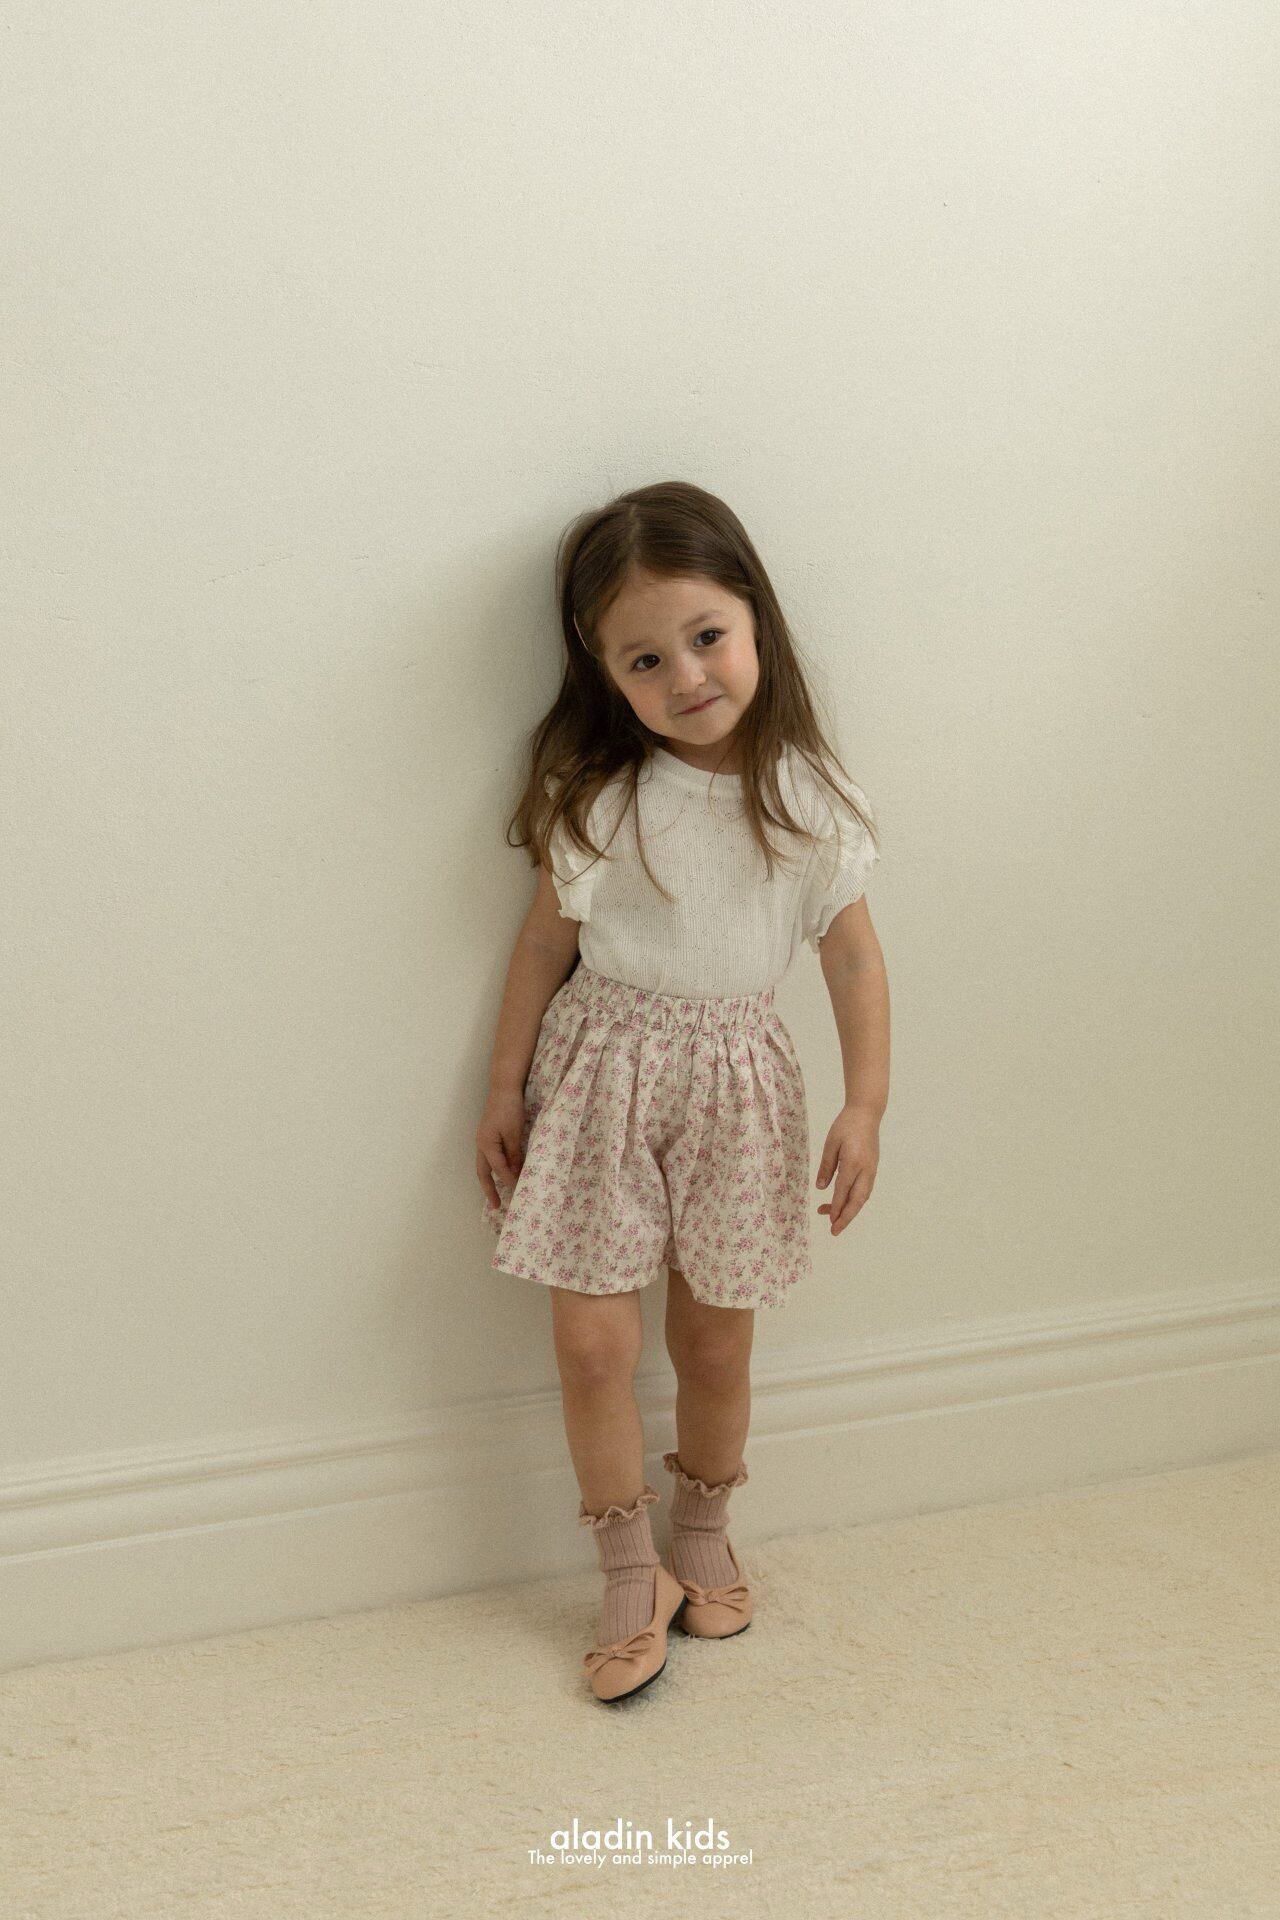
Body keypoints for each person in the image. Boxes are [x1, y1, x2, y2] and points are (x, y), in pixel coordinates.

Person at [474, 479, 890, 1703]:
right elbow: (542, 945)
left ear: (753, 618)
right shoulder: (602, 795)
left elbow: (852, 958)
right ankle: (625, 1567)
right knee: (591, 1344)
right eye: (645, 659)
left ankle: (701, 1529)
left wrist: (865, 1103)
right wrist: (503, 1086)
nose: (686, 676)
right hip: (598, 1077)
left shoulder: (807, 797)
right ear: (606, 675)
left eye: (706, 636)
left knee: (713, 1341)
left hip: (736, 1089)